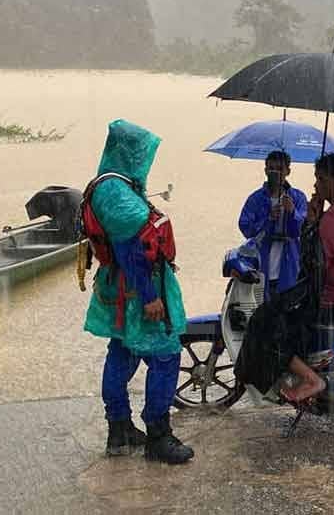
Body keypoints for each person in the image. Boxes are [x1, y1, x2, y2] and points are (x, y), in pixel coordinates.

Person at [82, 119, 193, 465]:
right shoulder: (115, 193)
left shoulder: (107, 185)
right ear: (130, 152)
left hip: (119, 289)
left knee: (123, 351)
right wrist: (150, 297)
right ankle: (158, 436)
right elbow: (133, 249)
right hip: (136, 292)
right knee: (165, 355)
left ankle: (119, 430)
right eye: (142, 153)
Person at [234, 153, 334, 403]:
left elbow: (312, 261)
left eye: (321, 179)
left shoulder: (329, 215)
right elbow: (246, 227)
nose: (316, 185)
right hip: (332, 281)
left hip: (327, 291)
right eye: (316, 179)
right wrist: (270, 218)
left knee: (266, 321)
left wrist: (308, 220)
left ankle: (310, 379)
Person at [238, 150, 308, 299]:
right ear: (265, 170)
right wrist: (267, 219)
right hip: (261, 268)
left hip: (289, 270)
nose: (275, 173)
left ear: (288, 171)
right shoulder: (255, 199)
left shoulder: (298, 198)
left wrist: (292, 212)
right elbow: (245, 227)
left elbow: (302, 228)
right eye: (271, 169)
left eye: (280, 169)